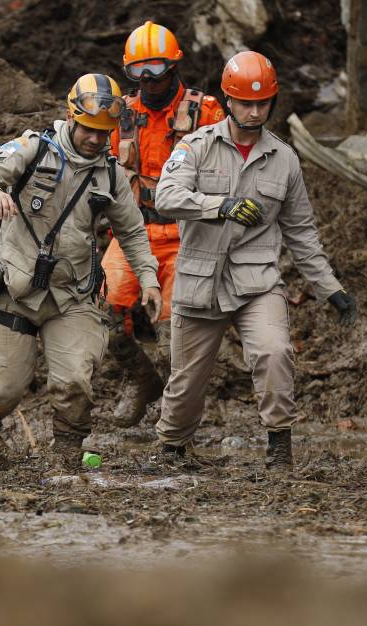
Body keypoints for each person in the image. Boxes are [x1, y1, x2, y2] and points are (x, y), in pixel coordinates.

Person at [152, 51, 358, 470]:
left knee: (274, 351)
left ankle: (279, 447)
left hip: (256, 281)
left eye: (262, 103)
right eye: (246, 102)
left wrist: (330, 289)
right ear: (228, 100)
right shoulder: (196, 147)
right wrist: (219, 205)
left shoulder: (285, 160)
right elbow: (165, 197)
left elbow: (302, 232)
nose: (254, 110)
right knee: (186, 379)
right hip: (200, 279)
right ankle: (172, 447)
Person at [0, 73, 161, 472]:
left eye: (104, 132)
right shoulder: (34, 149)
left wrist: (150, 280)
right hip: (15, 291)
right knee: (4, 390)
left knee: (74, 382)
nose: (95, 138)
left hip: (73, 293)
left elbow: (133, 232)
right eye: (88, 129)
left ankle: (66, 458)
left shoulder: (110, 174)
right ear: (71, 117)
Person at [101, 20, 225, 427]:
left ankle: (177, 421)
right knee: (100, 310)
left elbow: (228, 172)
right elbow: (97, 171)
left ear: (174, 67)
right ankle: (140, 379)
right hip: (133, 231)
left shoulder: (205, 111)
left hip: (186, 234)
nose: (148, 80)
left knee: (178, 337)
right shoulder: (121, 115)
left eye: (155, 69)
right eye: (138, 72)